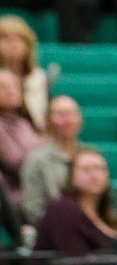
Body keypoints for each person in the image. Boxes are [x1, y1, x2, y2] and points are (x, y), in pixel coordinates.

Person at [21, 95, 83, 227]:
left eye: (71, 114)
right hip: (52, 230)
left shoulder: (88, 155)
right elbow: (32, 209)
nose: (68, 120)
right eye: (61, 115)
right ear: (48, 120)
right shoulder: (36, 160)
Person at [0, 70, 42, 210]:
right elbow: (15, 161)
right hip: (11, 199)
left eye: (14, 86)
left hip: (35, 193)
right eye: (3, 87)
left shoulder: (25, 123)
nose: (11, 91)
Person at [0, 15, 48, 129]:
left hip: (33, 134)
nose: (14, 44)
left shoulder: (38, 77)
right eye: (6, 38)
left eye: (20, 39)